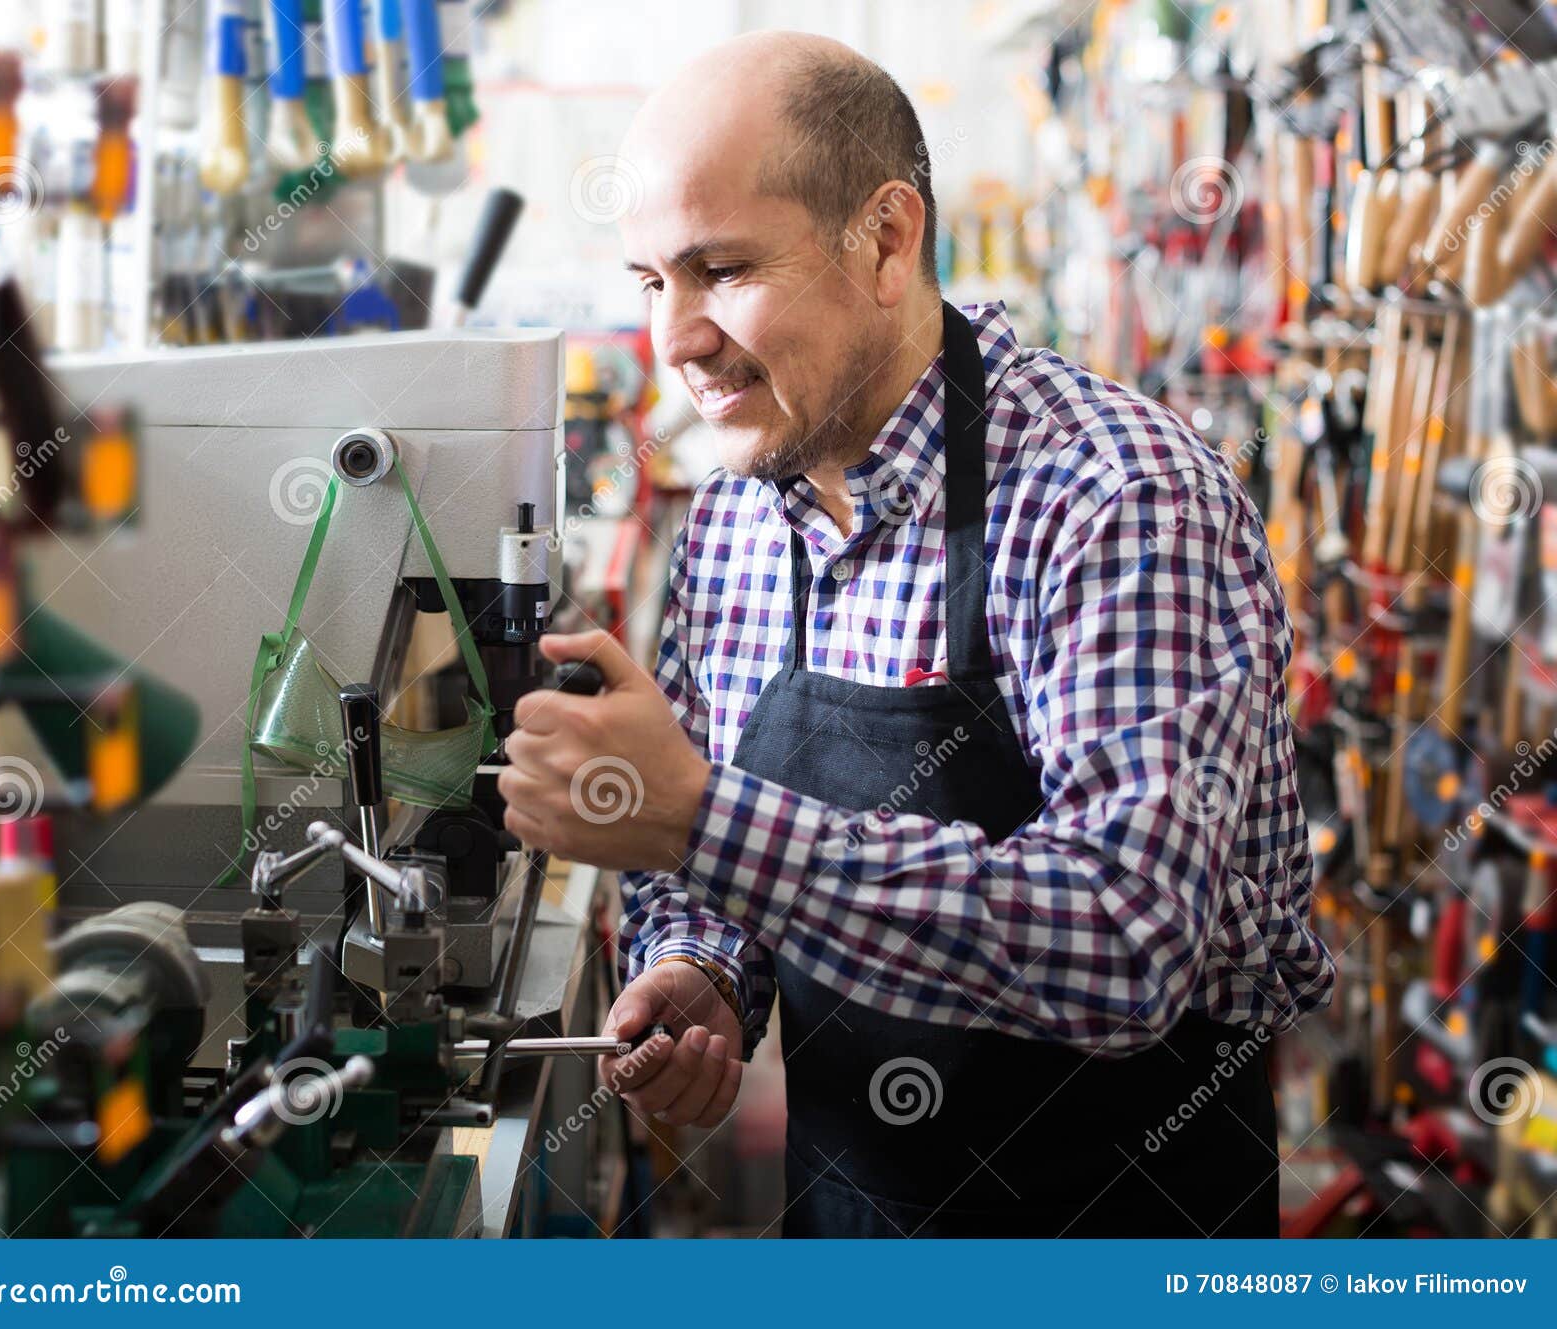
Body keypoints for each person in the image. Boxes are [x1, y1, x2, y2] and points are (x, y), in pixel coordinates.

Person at [499, 30, 1334, 1237]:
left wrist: (700, 821)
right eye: (650, 282)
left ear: (886, 241)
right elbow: (708, 863)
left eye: (721, 270)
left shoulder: (1113, 498)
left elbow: (1128, 942)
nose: (674, 338)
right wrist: (701, 968)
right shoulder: (735, 518)